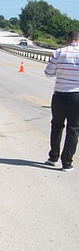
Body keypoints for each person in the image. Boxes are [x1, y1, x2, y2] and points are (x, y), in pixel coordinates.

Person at [43, 29, 79, 172]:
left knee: (56, 125)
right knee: (74, 129)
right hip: (77, 96)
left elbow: (48, 73)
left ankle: (53, 157)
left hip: (60, 95)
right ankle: (67, 163)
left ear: (67, 40)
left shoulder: (59, 52)